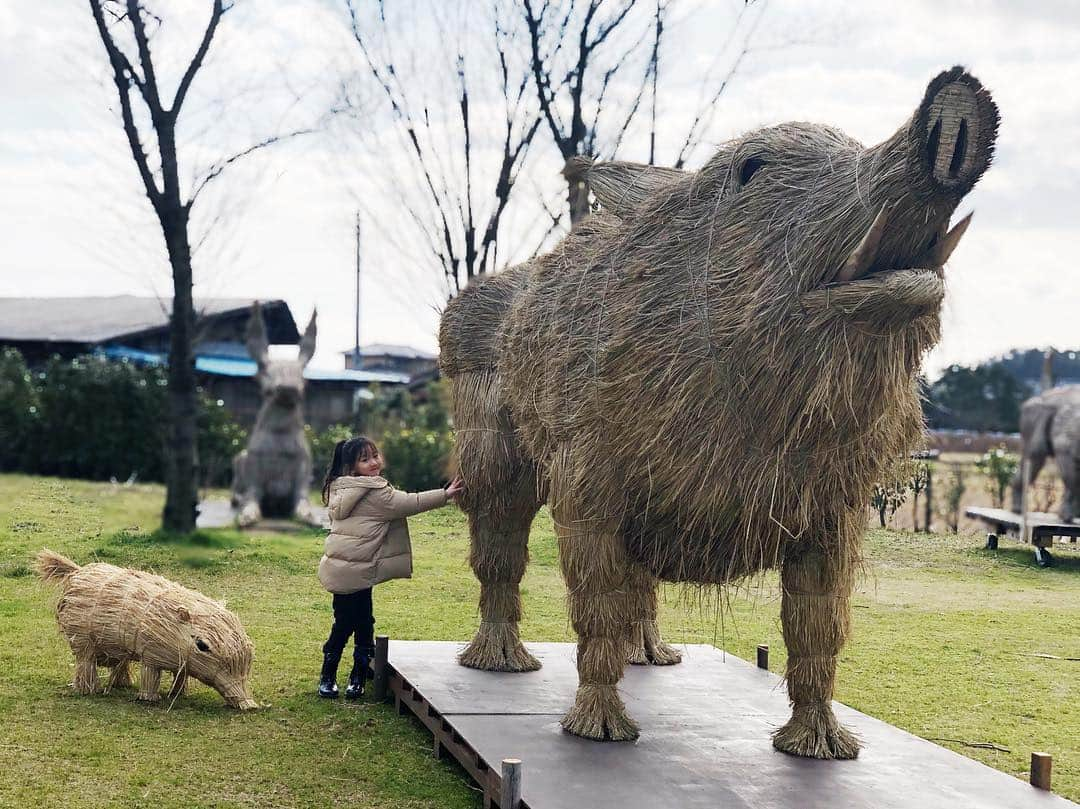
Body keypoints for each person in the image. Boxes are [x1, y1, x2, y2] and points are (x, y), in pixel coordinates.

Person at [317, 436, 463, 699]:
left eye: (375, 455)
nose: (374, 462)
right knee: (356, 623)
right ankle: (352, 676)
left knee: (350, 620)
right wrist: (446, 495)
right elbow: (410, 503)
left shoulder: (339, 487)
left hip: (341, 568)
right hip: (358, 571)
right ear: (352, 467)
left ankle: (340, 673)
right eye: (365, 459)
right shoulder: (375, 492)